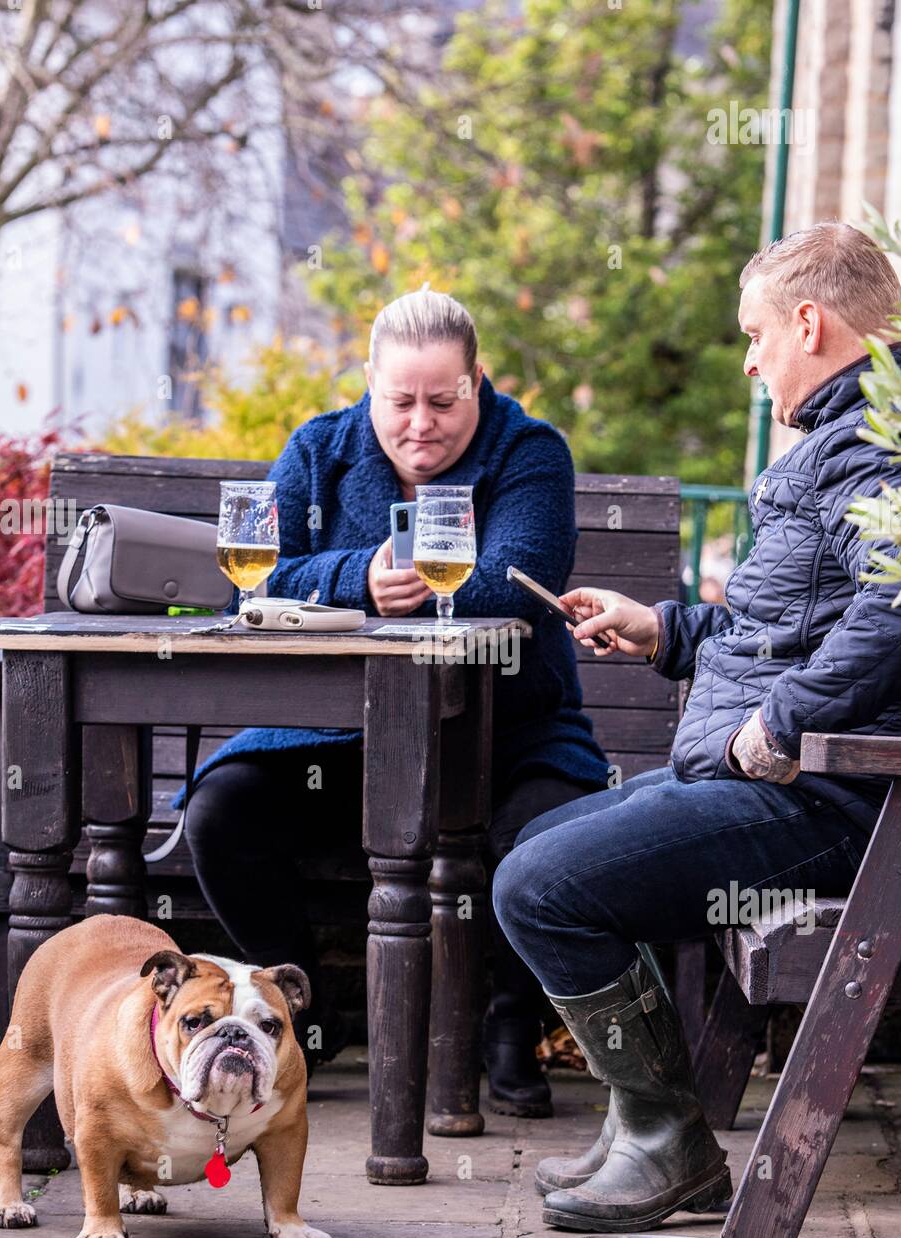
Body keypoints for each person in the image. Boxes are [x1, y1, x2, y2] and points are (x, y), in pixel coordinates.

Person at [492, 222, 901, 1233]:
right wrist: (665, 630)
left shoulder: (889, 441)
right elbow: (790, 625)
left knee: (541, 886)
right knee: (535, 850)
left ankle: (669, 1144)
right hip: (806, 782)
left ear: (811, 321)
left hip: (853, 802)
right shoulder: (859, 439)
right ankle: (645, 1119)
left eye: (757, 334)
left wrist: (780, 722)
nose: (752, 358)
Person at [181, 284, 610, 1115]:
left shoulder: (530, 453)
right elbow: (252, 583)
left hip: (510, 742)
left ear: (476, 384)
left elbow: (519, 582)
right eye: (400, 401)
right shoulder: (318, 450)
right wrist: (357, 575)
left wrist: (392, 586)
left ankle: (509, 1024)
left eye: (443, 401)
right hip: (338, 745)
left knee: (544, 844)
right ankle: (311, 1013)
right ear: (368, 386)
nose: (421, 423)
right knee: (219, 814)